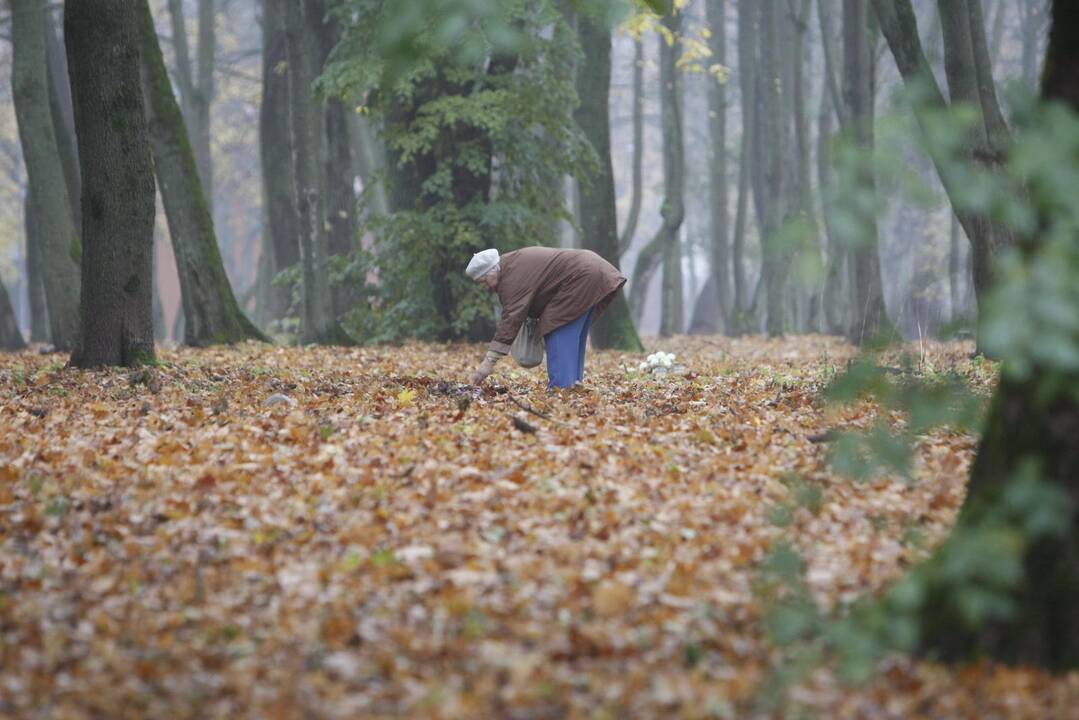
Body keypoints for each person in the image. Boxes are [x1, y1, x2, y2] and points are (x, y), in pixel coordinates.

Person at [466, 246, 627, 389]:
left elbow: (511, 318)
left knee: (557, 330)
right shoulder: (511, 265)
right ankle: (573, 386)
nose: (485, 287)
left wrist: (489, 361)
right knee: (571, 337)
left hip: (582, 277)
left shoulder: (511, 278)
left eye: (484, 280)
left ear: (492, 270)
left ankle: (561, 390)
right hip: (591, 270)